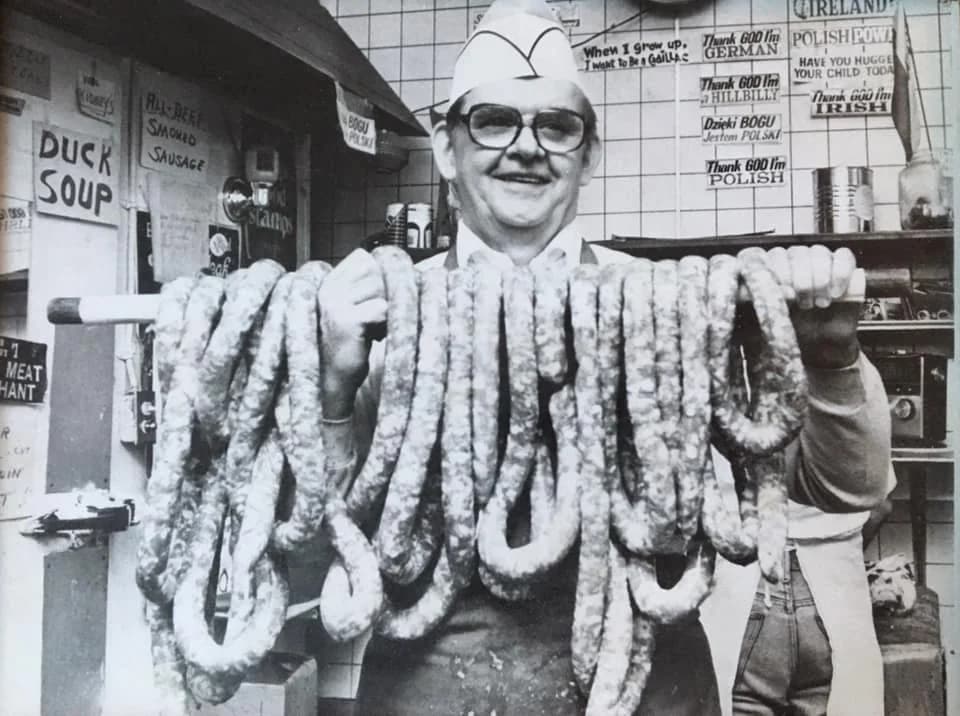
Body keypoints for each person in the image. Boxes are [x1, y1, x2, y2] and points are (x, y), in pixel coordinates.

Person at [314, 1, 892, 713]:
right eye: (494, 120)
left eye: (557, 126)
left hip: (652, 691)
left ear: (590, 153)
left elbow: (840, 493)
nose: (526, 148)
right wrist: (334, 387)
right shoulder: (382, 316)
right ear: (445, 145)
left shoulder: (665, 303)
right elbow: (316, 558)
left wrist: (832, 362)